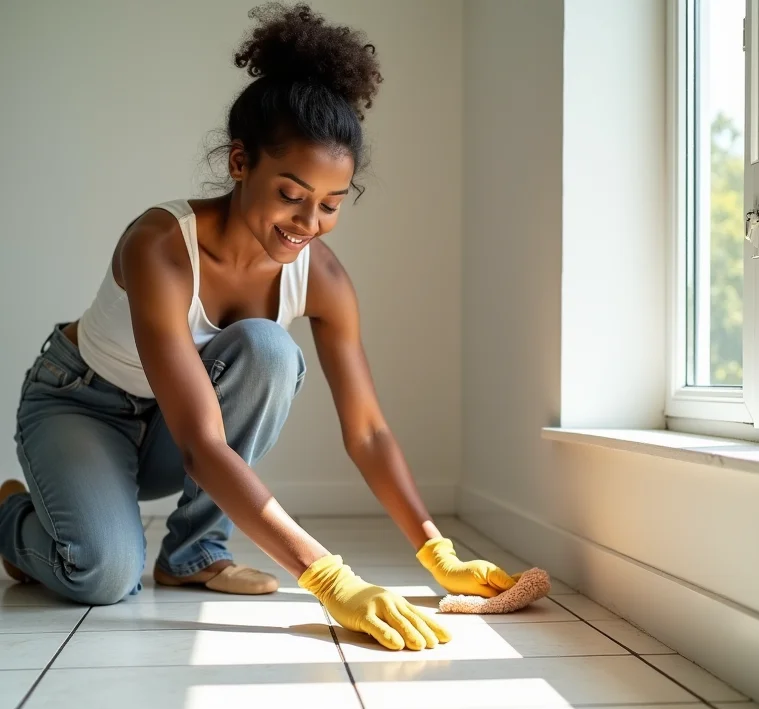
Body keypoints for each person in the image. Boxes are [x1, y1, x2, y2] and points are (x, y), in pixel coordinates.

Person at [0, 3, 519, 651]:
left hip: (169, 436)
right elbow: (201, 444)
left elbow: (367, 430)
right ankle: (11, 515)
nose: (308, 223)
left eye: (331, 204)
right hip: (82, 406)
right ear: (241, 162)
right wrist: (329, 579)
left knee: (271, 349)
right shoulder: (160, 246)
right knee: (103, 574)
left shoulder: (323, 278)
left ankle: (192, 554)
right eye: (291, 195)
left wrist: (436, 550)